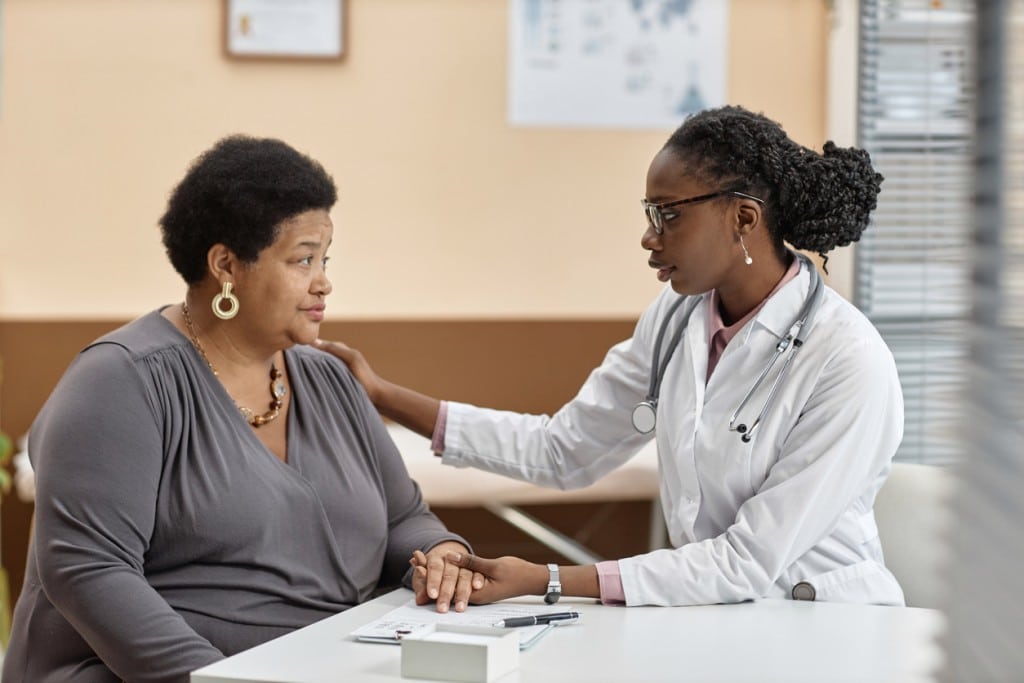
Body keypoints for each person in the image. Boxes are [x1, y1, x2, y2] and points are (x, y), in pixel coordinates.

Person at [317, 105, 906, 609]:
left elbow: (745, 562)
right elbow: (563, 450)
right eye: (648, 213)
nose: (649, 237)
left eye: (668, 214)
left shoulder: (847, 359)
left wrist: (548, 580)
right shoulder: (675, 321)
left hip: (827, 625)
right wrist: (380, 393)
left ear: (743, 218)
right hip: (714, 615)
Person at [2, 135, 479, 683]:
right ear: (226, 265)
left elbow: (403, 517)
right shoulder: (120, 382)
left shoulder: (329, 378)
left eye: (324, 259)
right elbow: (89, 570)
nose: (324, 281)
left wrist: (439, 553)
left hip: (331, 665)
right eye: (302, 260)